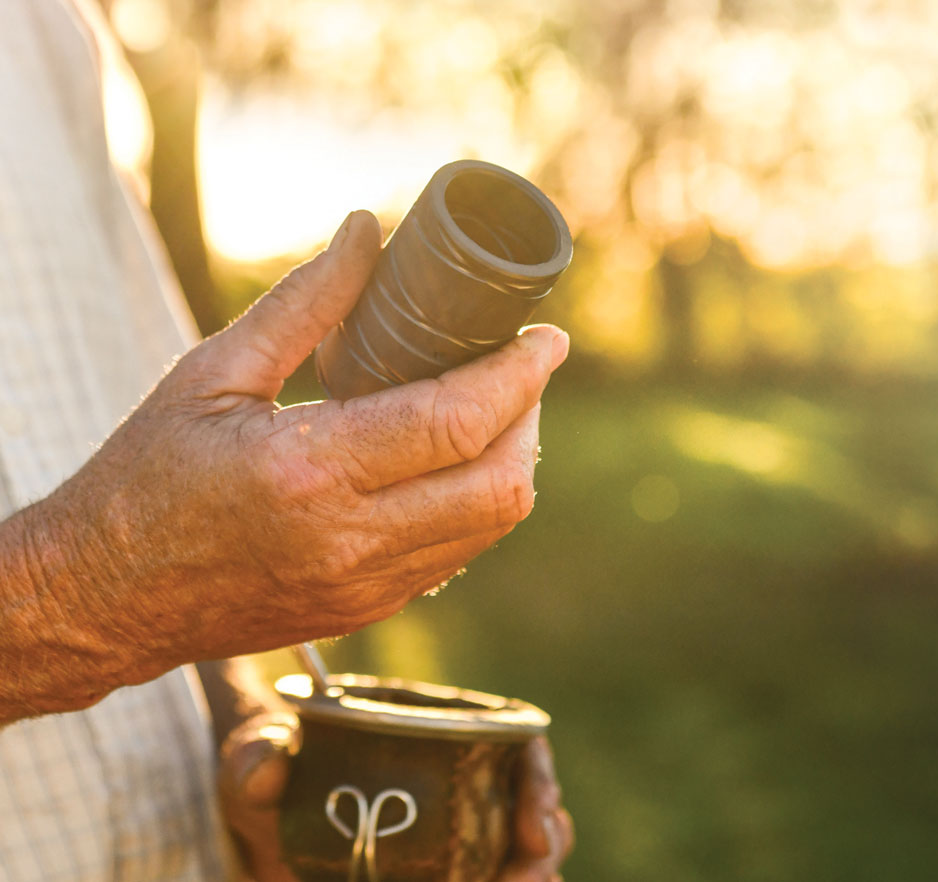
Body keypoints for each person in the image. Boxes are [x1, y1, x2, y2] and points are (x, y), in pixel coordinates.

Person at [0, 1, 573, 880]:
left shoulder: (46, 31)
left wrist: (248, 758)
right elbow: (125, 570)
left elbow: (148, 496)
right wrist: (85, 596)